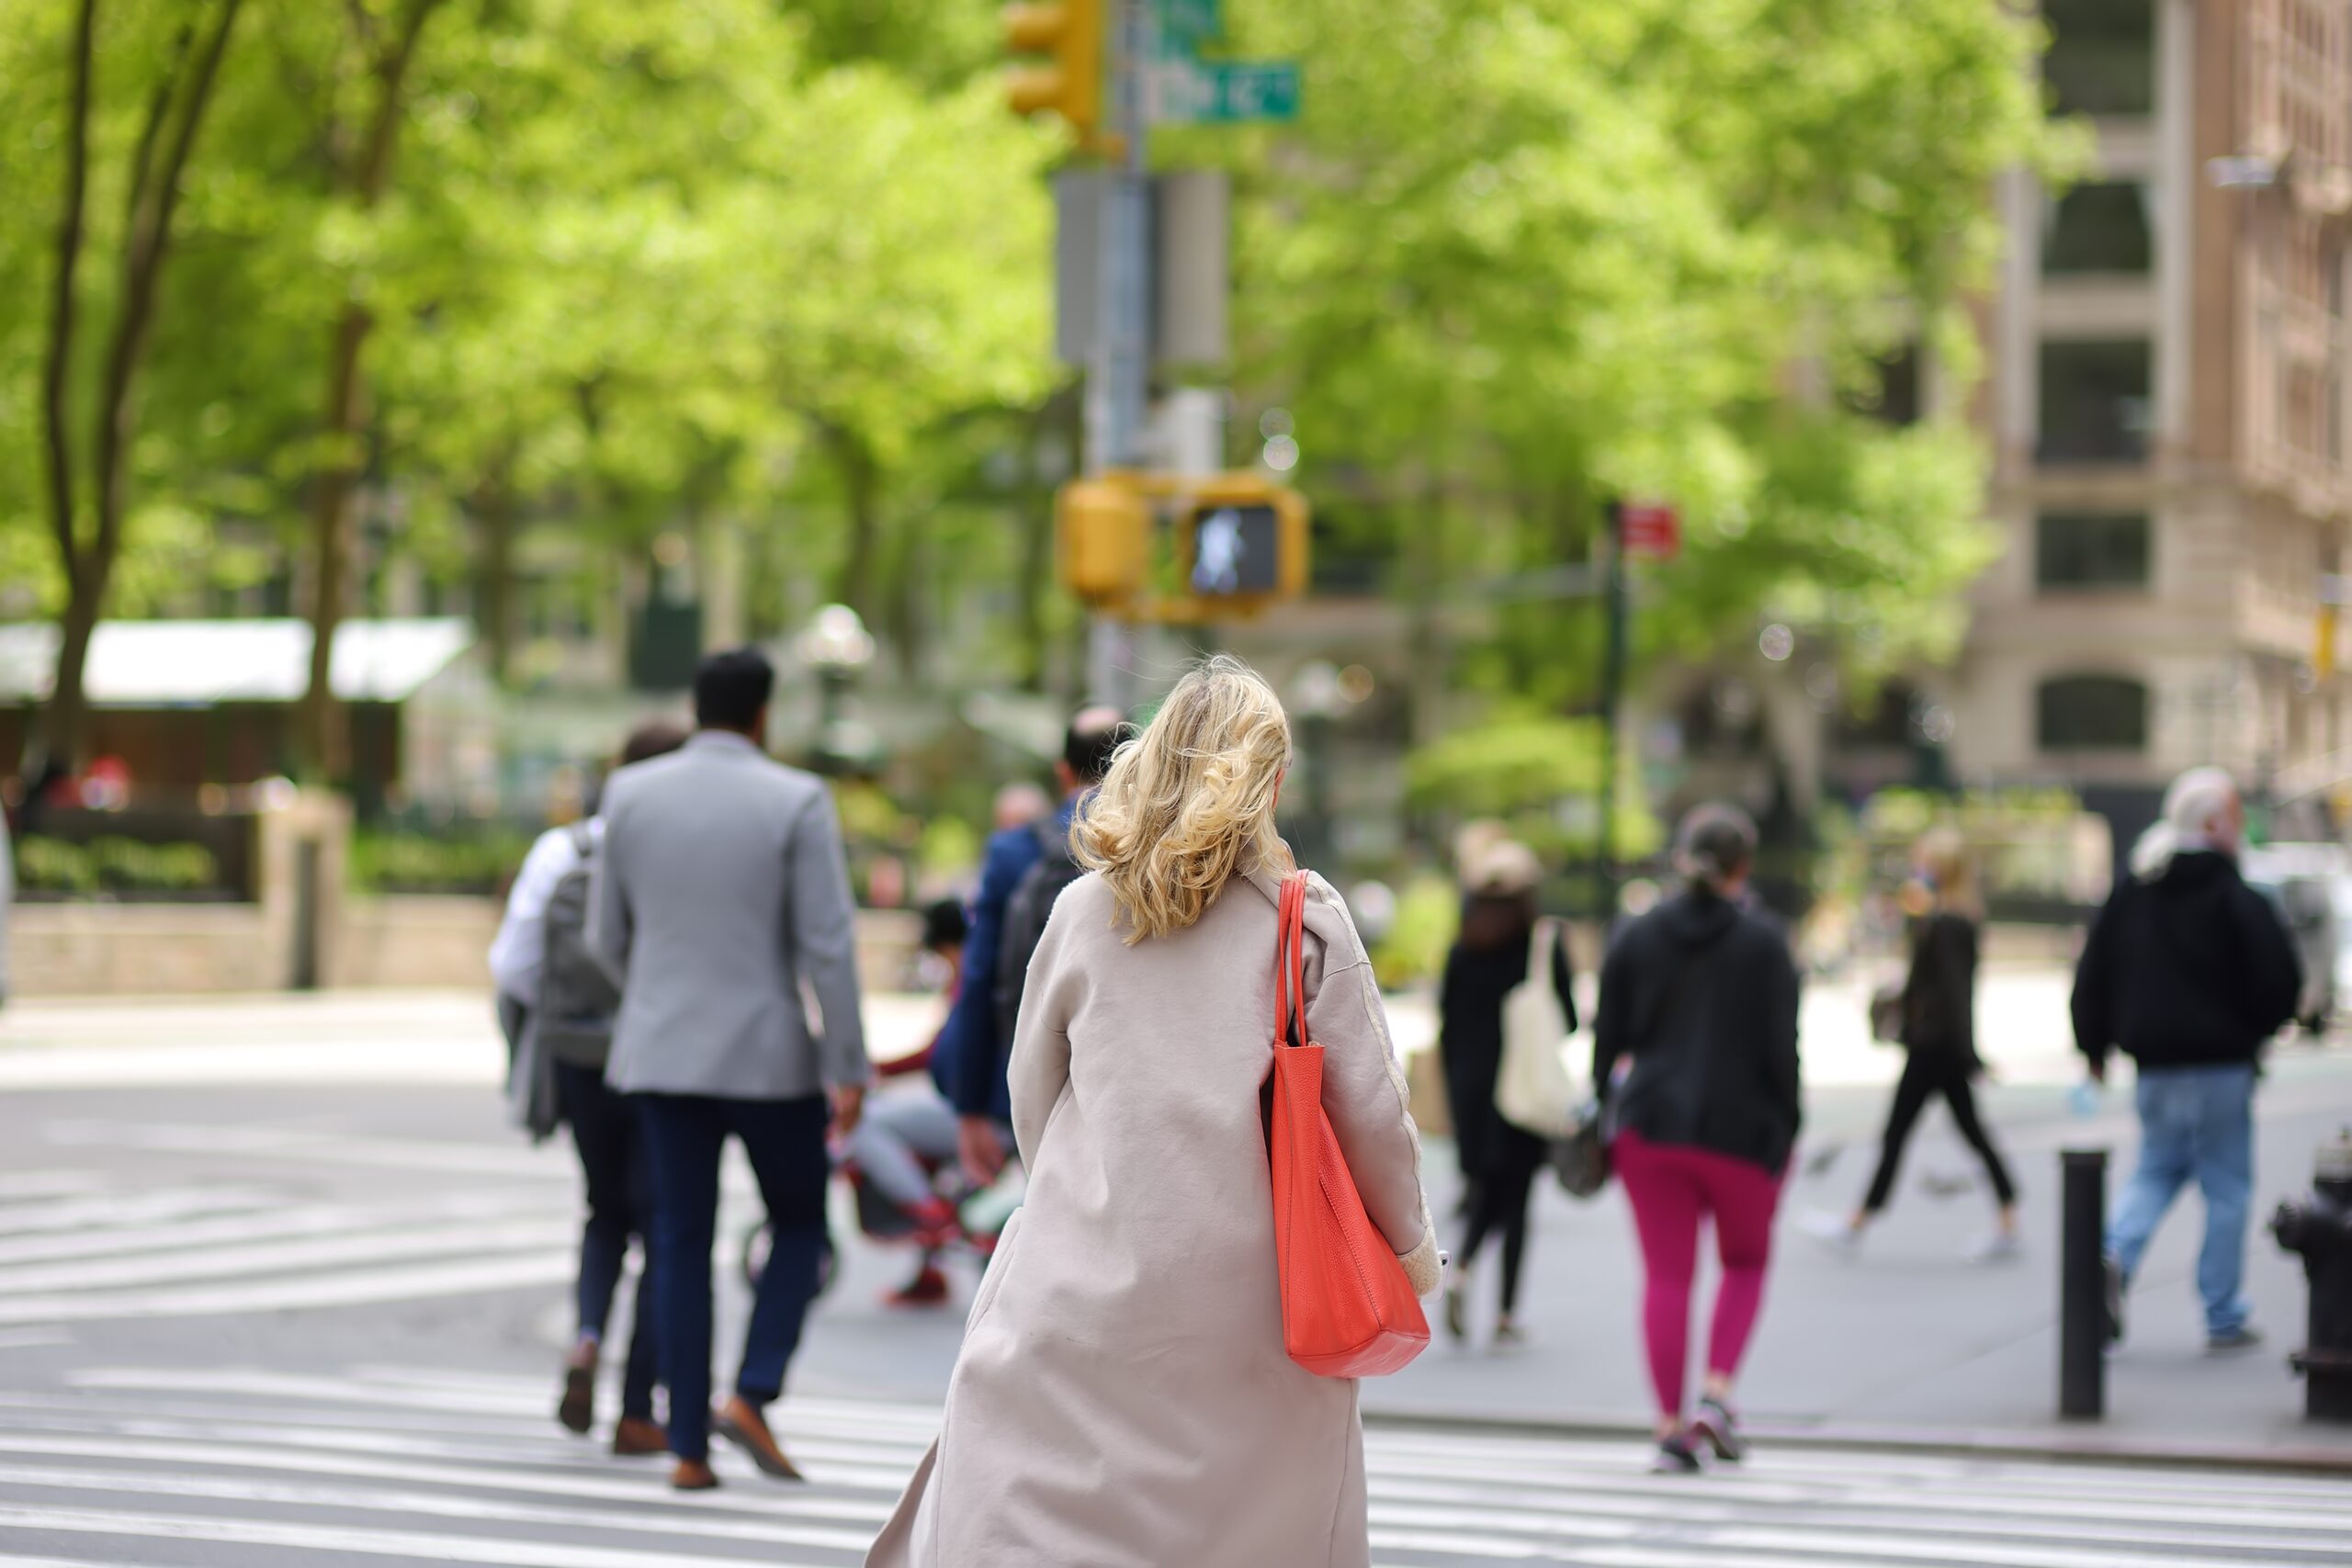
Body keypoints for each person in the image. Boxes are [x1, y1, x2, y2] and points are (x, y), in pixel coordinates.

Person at [865, 655, 1439, 1568]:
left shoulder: (1082, 910)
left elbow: (1032, 1096)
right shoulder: (1303, 921)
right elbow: (1373, 1118)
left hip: (1078, 1282)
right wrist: (1409, 1254)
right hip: (1254, 1300)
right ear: (1269, 782)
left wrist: (1079, 1189)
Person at [588, 648, 870, 1492]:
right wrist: (848, 1063)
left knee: (680, 1238)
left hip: (661, 1052)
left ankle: (686, 1446)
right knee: (801, 1221)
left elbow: (604, 936)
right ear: (763, 713)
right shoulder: (796, 798)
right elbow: (828, 944)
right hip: (767, 1055)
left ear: (696, 704)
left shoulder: (630, 793)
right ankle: (751, 1389)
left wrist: (654, 999)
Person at [490, 720, 687, 1454]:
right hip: (659, 1059)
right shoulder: (679, 854)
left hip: (579, 1059)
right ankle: (637, 1409)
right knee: (665, 1226)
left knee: (604, 1211)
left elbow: (513, 967)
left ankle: (586, 1335)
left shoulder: (562, 850)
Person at [1593, 805, 1801, 1473]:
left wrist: (1603, 1110)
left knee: (1667, 1276)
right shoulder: (1765, 943)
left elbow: (1606, 1040)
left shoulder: (1637, 934)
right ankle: (1716, 1394)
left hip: (1650, 1128)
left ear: (1682, 857)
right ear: (1744, 866)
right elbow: (1783, 1050)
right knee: (1745, 1262)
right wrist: (1789, 1127)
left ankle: (1668, 1429)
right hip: (1744, 1130)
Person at [2072, 766, 2301, 1353]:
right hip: (2221, 1067)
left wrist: (2093, 1048)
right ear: (2214, 823)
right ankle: (2223, 1313)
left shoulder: (2134, 891)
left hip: (2154, 1067)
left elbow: (2093, 973)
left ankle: (2113, 1255)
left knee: (2155, 1170)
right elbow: (2280, 978)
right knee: (2226, 1188)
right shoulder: (2236, 896)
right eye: (2235, 815)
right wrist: (2256, 1032)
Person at [935, 705, 1125, 1190]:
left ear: (1062, 770)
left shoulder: (1014, 852)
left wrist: (970, 1105)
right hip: (1124, 1077)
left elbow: (980, 979)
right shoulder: (1159, 849)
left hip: (1038, 1076)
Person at [1816, 829, 2019, 1259]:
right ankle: (2007, 1214)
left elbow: (1954, 993)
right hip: (1940, 1045)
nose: (1918, 868)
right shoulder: (1945, 917)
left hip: (1935, 1048)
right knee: (1967, 1132)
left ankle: (1858, 1220)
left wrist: (1967, 1053)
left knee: (1901, 1133)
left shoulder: (1948, 923)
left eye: (1926, 861)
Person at [1439, 838, 1573, 1348]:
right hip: (1523, 1088)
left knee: (1483, 1188)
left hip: (1470, 1089)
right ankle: (1505, 1312)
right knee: (1516, 1198)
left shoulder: (1462, 948)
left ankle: (1464, 1270)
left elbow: (1448, 1025)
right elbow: (1569, 1020)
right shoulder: (1541, 945)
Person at [842, 897, 974, 1307]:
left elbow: (937, 1054)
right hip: (975, 1107)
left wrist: (877, 1070)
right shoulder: (978, 974)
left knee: (866, 1124)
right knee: (904, 1135)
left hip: (973, 1114)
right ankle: (929, 1270)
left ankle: (927, 1213)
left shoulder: (971, 977)